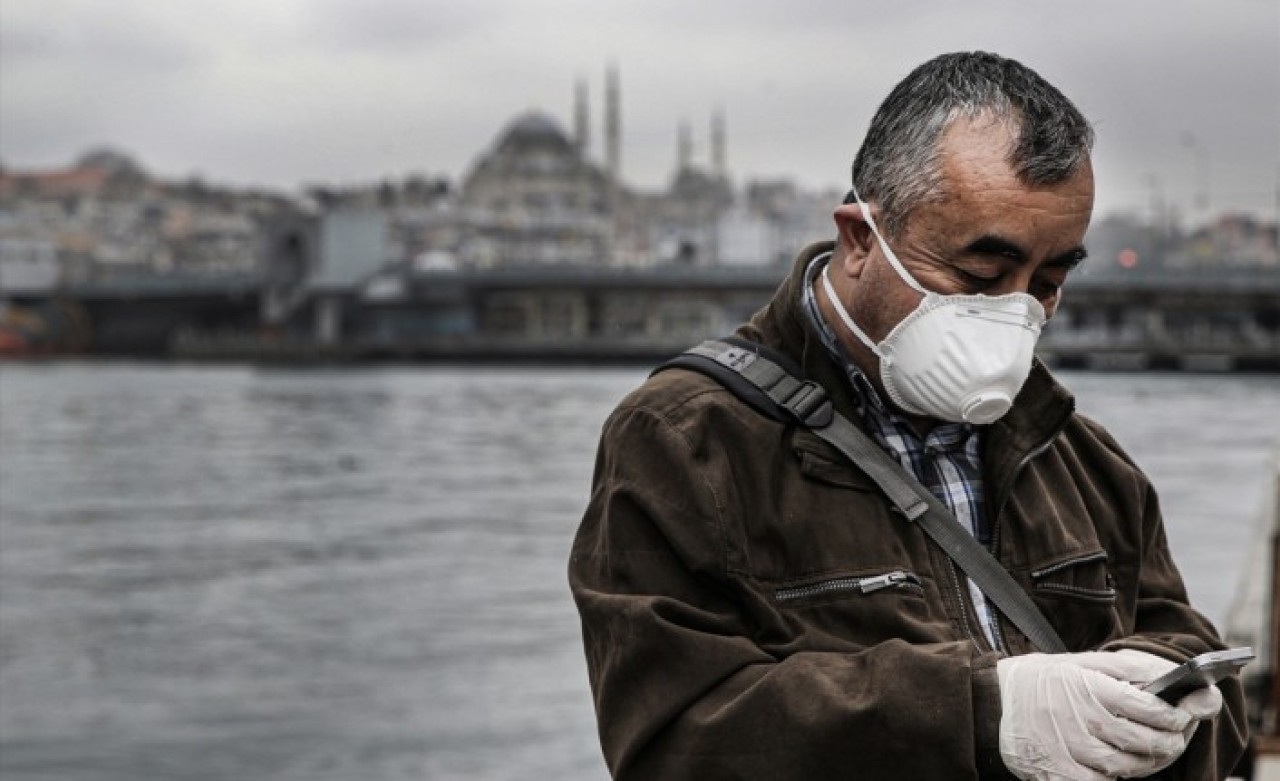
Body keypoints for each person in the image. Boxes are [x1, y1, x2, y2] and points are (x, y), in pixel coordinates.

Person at [568, 51, 1248, 780]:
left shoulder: (1082, 458)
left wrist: (1159, 701)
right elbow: (671, 743)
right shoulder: (684, 442)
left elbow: (1214, 700)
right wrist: (984, 715)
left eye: (1047, 283)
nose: (1013, 310)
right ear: (861, 239)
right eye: (980, 275)